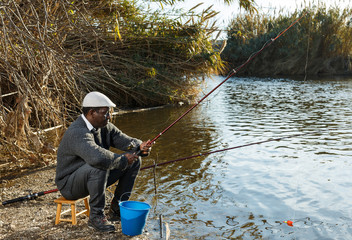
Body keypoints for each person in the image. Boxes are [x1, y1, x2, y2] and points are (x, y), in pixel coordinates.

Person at [55, 91, 152, 232]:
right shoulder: (77, 132)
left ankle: (117, 207)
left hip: (92, 178)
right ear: (92, 113)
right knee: (99, 165)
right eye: (105, 113)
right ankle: (96, 216)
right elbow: (97, 157)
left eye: (109, 112)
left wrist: (139, 147)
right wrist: (123, 159)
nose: (109, 116)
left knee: (134, 161)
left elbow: (125, 140)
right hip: (69, 185)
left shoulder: (104, 126)